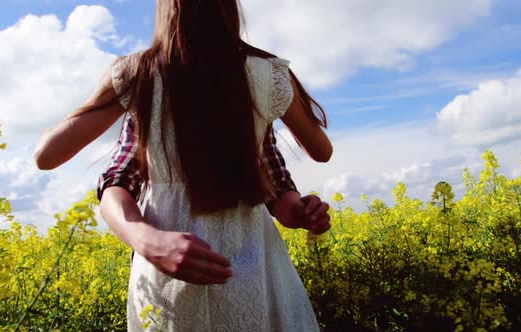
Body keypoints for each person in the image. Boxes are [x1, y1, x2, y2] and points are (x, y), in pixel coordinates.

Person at [33, 0, 333, 330]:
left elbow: (48, 156)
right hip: (218, 275)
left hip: (242, 271)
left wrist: (296, 209)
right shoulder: (263, 74)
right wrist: (145, 240)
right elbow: (321, 149)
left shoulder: (142, 74)